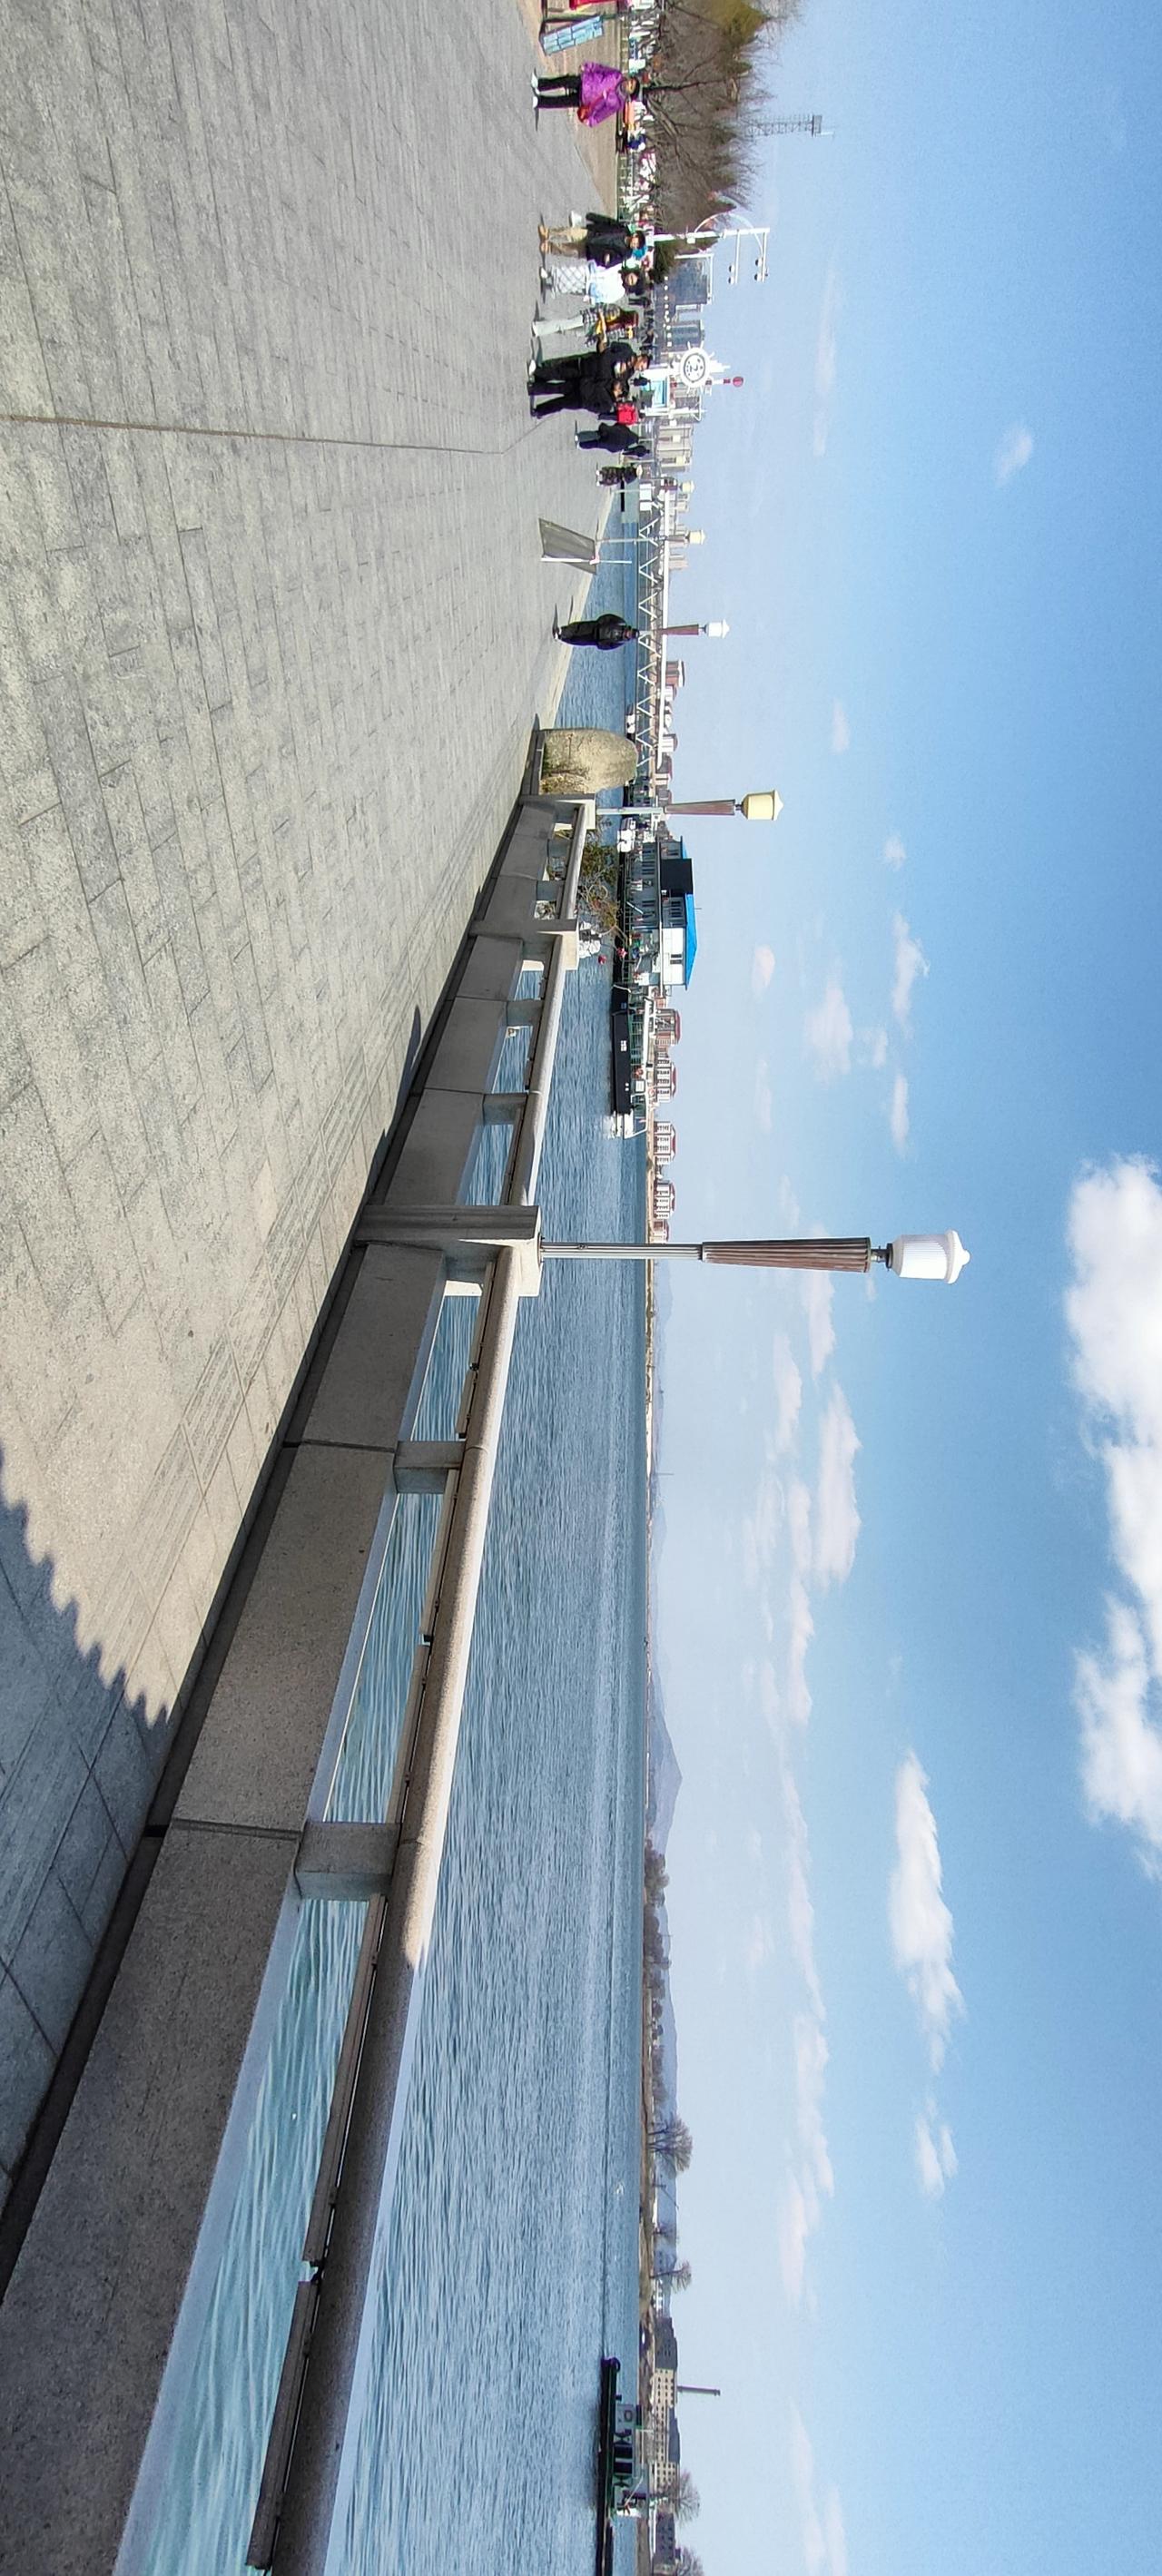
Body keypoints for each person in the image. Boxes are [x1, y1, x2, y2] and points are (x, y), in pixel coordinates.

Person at [533, 65, 639, 123]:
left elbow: (603, 113)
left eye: (631, 87)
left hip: (586, 100)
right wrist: (588, 67)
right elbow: (601, 69)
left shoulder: (617, 103)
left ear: (629, 93)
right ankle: (540, 84)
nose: (628, 84)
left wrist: (591, 120)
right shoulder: (617, 75)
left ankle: (540, 102)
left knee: (561, 102)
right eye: (630, 81)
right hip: (585, 82)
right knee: (564, 81)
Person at [538, 215, 647, 266]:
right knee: (570, 233)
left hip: (593, 250)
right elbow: (608, 222)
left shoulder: (625, 254)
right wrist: (594, 218)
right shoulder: (623, 229)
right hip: (593, 234)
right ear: (635, 235)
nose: (635, 245)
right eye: (637, 242)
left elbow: (613, 262)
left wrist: (607, 260)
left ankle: (550, 248)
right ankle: (548, 233)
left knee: (569, 250)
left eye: (637, 246)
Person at [553, 612, 638, 650]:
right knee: (579, 628)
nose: (629, 634)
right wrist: (599, 622)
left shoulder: (621, 641)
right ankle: (562, 631)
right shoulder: (621, 623)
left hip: (595, 639)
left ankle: (561, 637)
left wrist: (599, 644)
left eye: (631, 635)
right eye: (631, 632)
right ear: (631, 629)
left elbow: (610, 646)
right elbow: (610, 617)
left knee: (577, 640)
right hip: (596, 627)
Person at [576, 422, 648, 454]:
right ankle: (581, 445)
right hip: (612, 444)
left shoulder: (630, 432)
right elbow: (625, 449)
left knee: (596, 434)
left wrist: (613, 428)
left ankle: (580, 436)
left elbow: (620, 425)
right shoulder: (632, 445)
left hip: (610, 432)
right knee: (596, 444)